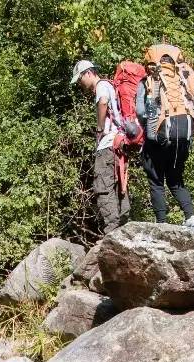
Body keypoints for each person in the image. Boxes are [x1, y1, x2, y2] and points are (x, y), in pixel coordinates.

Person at [136, 46, 194, 226]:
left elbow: (141, 110)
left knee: (156, 179)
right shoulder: (181, 79)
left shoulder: (147, 81)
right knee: (175, 178)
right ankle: (190, 216)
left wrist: (148, 127)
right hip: (184, 133)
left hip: (162, 133)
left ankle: (161, 222)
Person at [72, 59, 130, 233]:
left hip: (108, 144)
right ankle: (124, 226)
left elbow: (103, 102)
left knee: (103, 187)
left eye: (80, 79)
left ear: (88, 73)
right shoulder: (110, 85)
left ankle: (112, 230)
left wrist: (99, 128)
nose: (80, 85)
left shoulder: (102, 86)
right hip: (119, 143)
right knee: (120, 185)